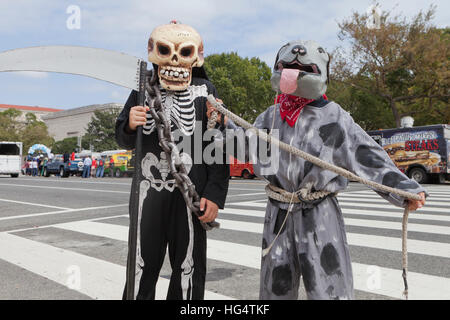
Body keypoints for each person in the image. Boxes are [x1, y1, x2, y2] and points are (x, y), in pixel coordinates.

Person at [207, 40, 426, 300]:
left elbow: (366, 155)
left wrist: (404, 190)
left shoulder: (334, 117)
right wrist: (221, 122)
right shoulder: (270, 116)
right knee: (275, 287)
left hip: (319, 214)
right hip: (278, 213)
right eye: (288, 65)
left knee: (329, 288)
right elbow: (246, 147)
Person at [115, 21, 229, 300]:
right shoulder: (141, 89)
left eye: (185, 52)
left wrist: (214, 194)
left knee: (188, 267)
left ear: (197, 56)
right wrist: (129, 125)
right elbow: (123, 139)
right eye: (166, 51)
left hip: (191, 194)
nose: (175, 60)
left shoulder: (205, 90)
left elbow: (216, 144)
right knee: (142, 264)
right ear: (153, 53)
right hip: (148, 192)